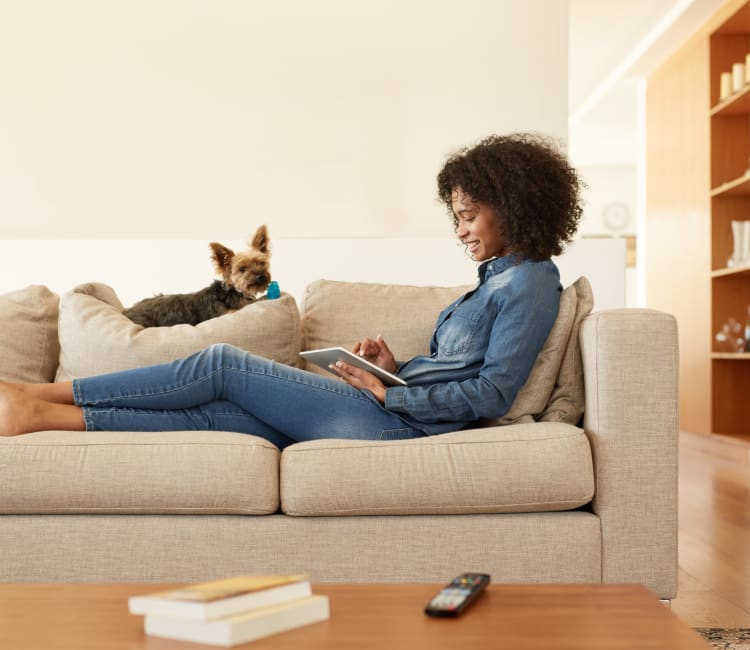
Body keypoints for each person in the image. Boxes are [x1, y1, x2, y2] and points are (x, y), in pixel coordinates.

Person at [0, 132, 583, 446]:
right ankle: (37, 417)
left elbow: (492, 393)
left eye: (469, 215)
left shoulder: (530, 283)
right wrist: (392, 367)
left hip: (402, 427)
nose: (460, 231)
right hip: (395, 410)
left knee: (223, 364)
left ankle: (43, 395)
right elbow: (455, 369)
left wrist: (390, 398)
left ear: (511, 206)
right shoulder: (493, 282)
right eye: (455, 216)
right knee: (222, 414)